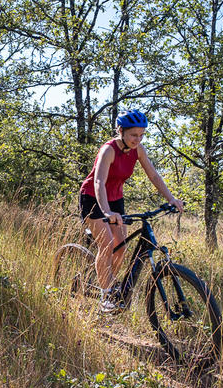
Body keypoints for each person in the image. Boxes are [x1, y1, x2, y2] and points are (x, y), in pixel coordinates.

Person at [79, 109, 184, 314]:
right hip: (93, 197)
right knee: (107, 243)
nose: (138, 139)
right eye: (134, 135)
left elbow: (153, 175)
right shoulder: (108, 150)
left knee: (121, 247)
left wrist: (171, 198)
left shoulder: (138, 150)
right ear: (121, 131)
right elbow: (99, 181)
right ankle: (106, 294)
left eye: (142, 135)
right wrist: (106, 212)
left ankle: (108, 283)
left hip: (116, 198)